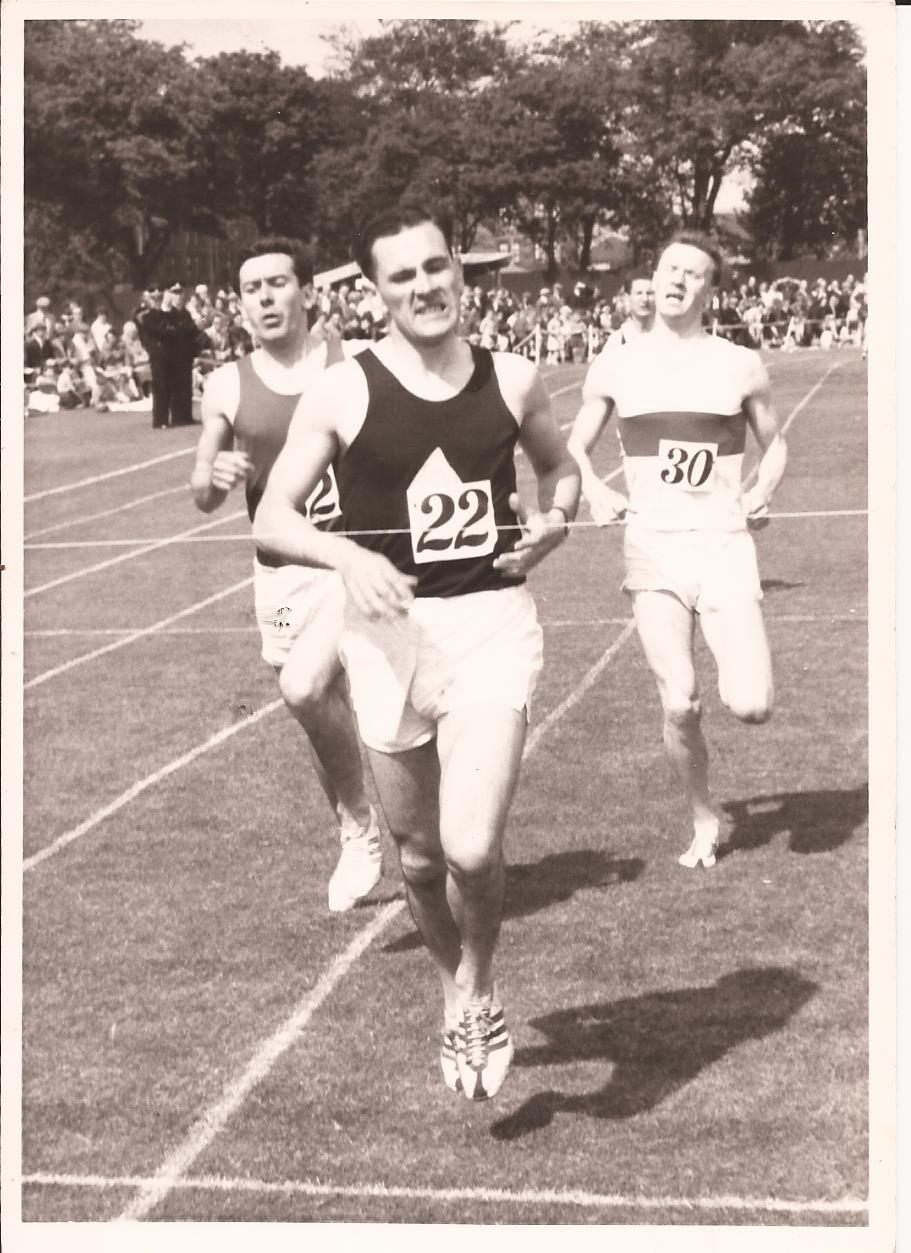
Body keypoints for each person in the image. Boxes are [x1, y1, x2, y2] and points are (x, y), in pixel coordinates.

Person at [254, 205, 580, 1100]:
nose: (424, 287)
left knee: (472, 847)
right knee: (420, 856)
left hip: (488, 625)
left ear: (460, 275)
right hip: (387, 639)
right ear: (375, 292)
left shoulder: (513, 380)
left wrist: (553, 522)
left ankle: (480, 984)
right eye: (401, 276)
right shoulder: (343, 391)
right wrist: (347, 555)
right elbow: (273, 517)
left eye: (435, 268)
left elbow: (559, 470)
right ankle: (452, 988)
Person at [568, 231, 787, 870]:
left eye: (694, 273)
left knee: (751, 704)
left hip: (722, 544)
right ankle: (703, 816)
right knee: (679, 699)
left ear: (710, 289)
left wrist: (760, 489)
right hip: (653, 548)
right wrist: (591, 493)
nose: (678, 280)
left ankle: (713, 798)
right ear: (654, 277)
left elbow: (775, 444)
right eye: (670, 268)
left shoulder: (740, 364)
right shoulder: (616, 363)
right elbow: (573, 446)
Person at [191, 237, 381, 914]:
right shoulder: (225, 384)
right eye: (251, 288)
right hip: (279, 573)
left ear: (309, 292)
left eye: (277, 283)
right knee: (318, 711)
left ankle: (362, 828)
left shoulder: (354, 364)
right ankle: (356, 824)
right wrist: (213, 477)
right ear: (239, 305)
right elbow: (201, 489)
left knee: (308, 689)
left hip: (351, 562)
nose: (265, 298)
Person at [142, 280, 200, 428]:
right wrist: (176, 330)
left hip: (179, 355)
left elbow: (193, 329)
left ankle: (182, 417)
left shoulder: (182, 313)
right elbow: (160, 332)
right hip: (160, 356)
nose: (178, 295)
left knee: (182, 387)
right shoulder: (150, 315)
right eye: (174, 292)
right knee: (162, 388)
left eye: (180, 292)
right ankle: (160, 420)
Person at [605, 272, 655, 349]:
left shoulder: (668, 337)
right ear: (628, 297)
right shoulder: (617, 341)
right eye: (639, 293)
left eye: (649, 293)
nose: (645, 299)